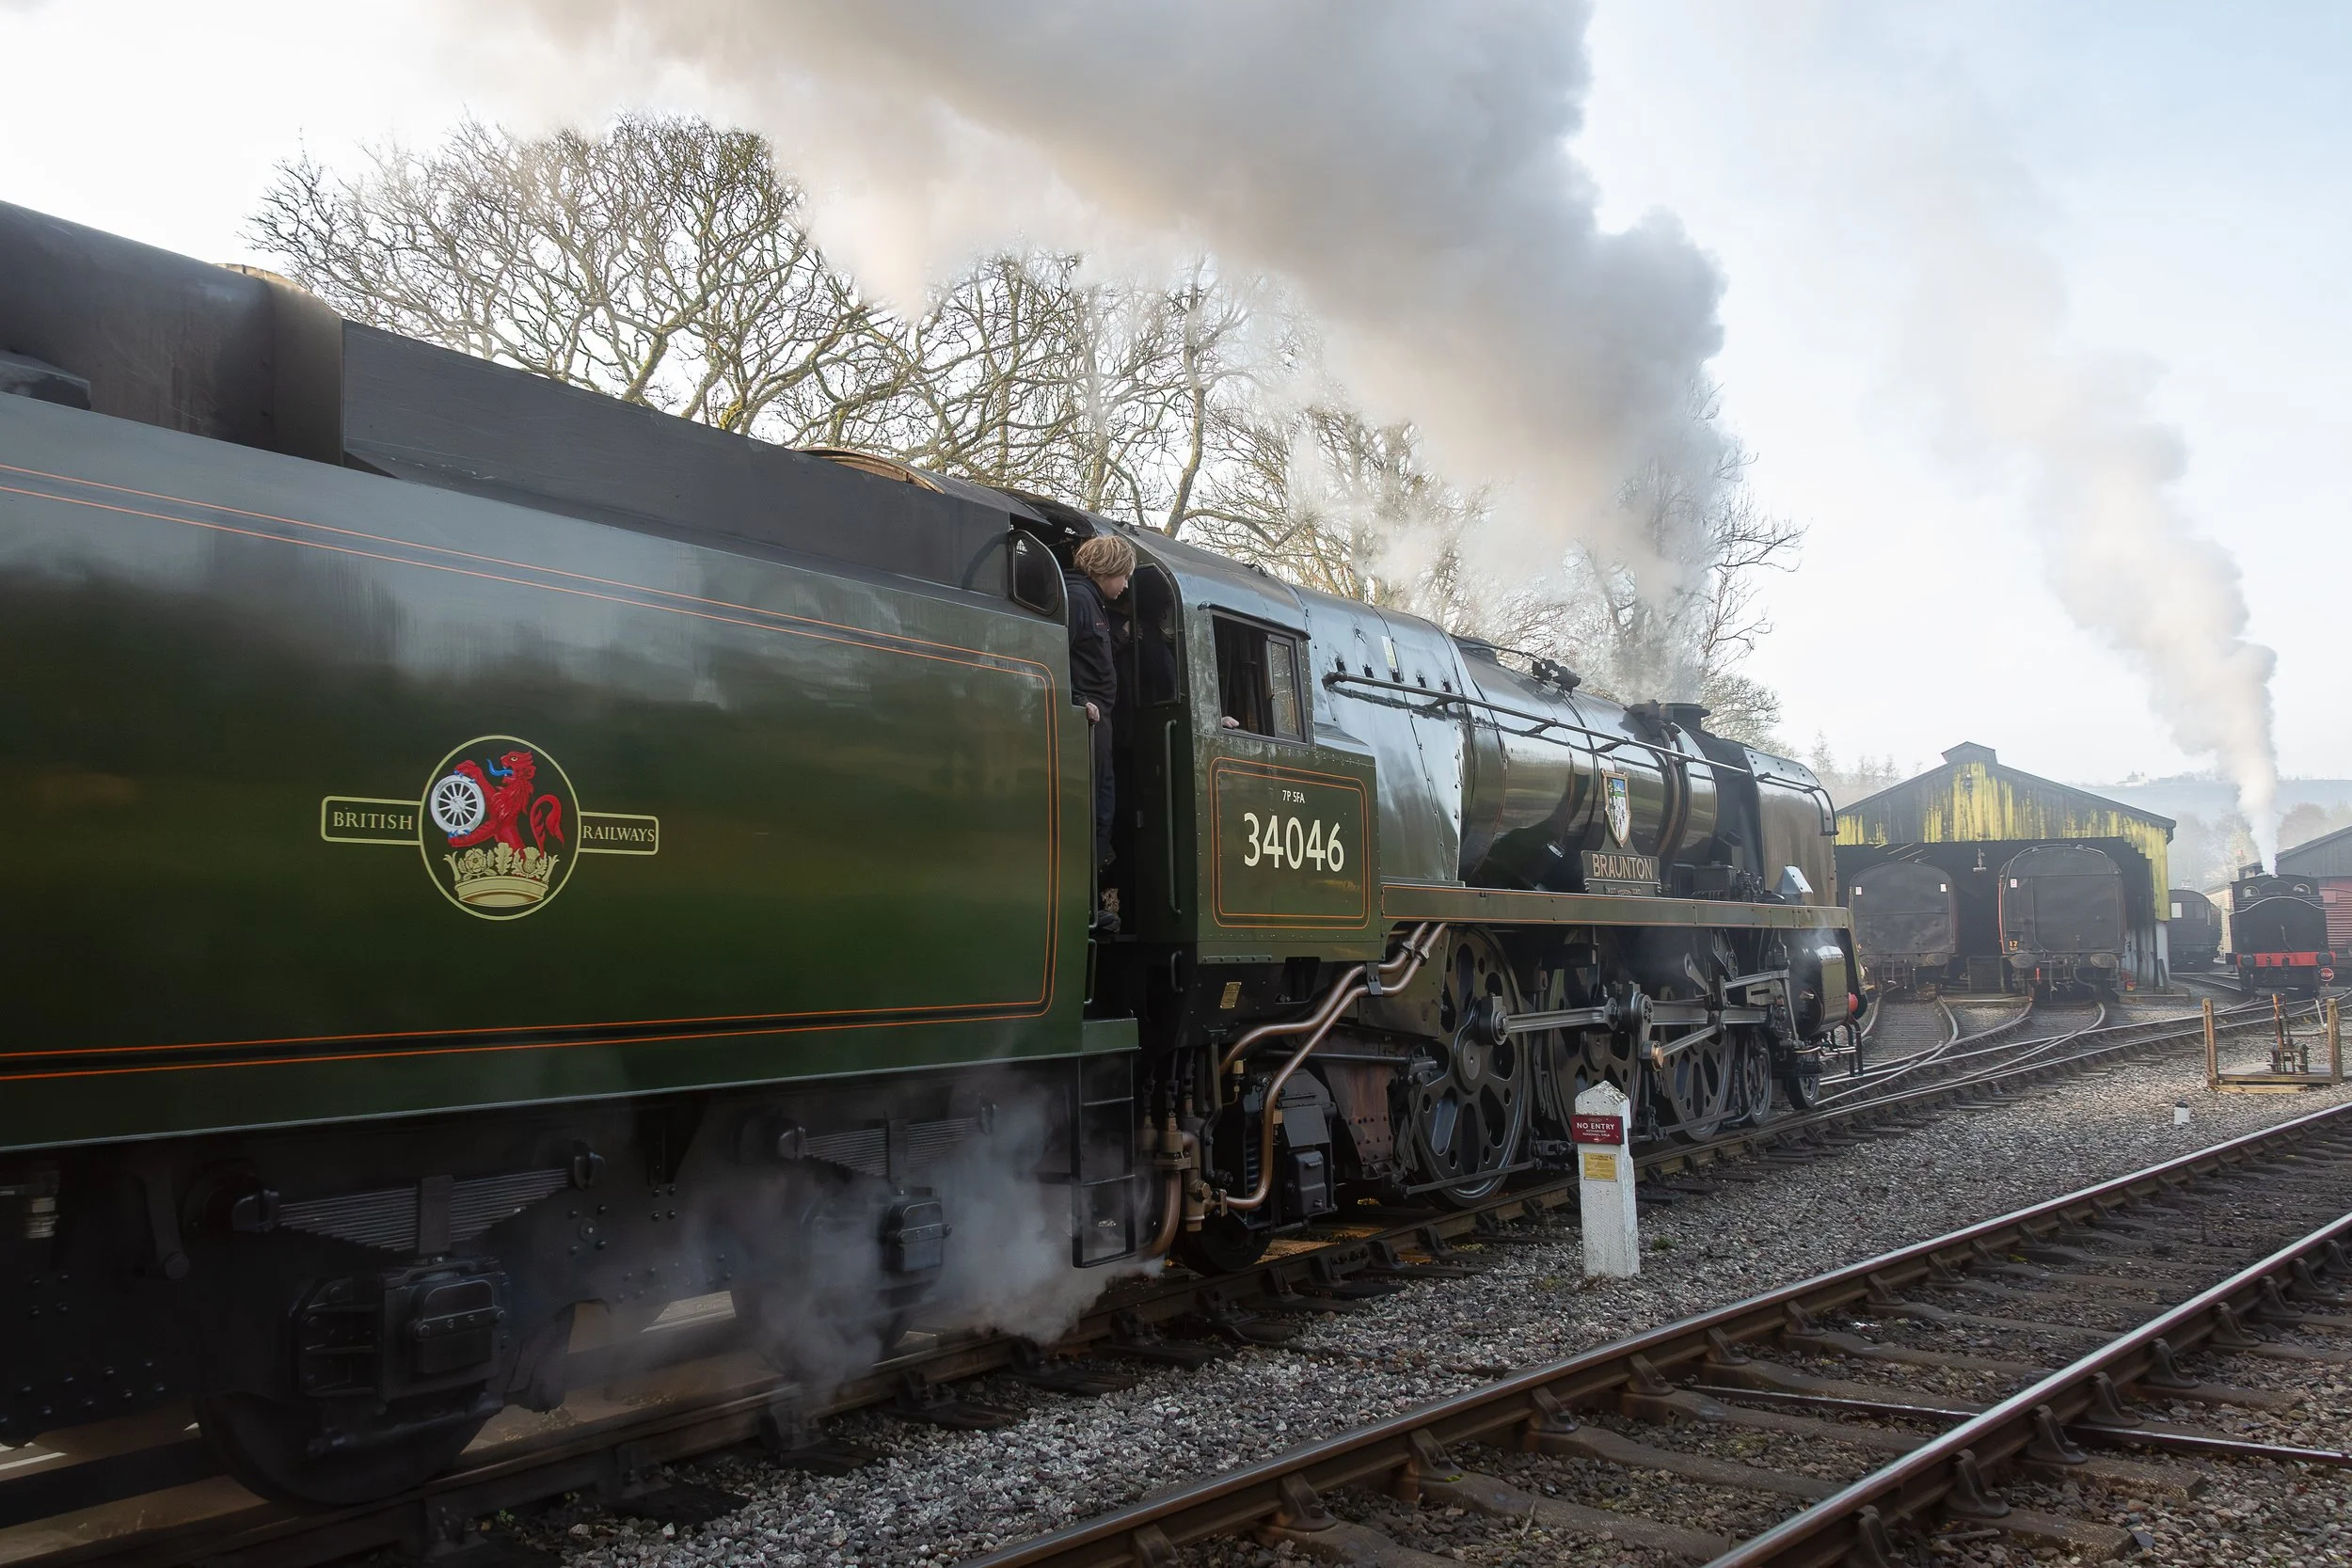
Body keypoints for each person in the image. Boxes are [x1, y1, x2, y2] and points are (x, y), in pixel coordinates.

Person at [1065, 534, 1134, 927]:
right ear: (1106, 569)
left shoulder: (1093, 602)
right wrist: (1077, 698)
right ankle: (1082, 905)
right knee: (1092, 812)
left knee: (1102, 811)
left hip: (1098, 721)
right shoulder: (1078, 600)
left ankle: (1089, 900)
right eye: (1123, 575)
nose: (1125, 585)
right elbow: (1054, 649)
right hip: (1086, 722)